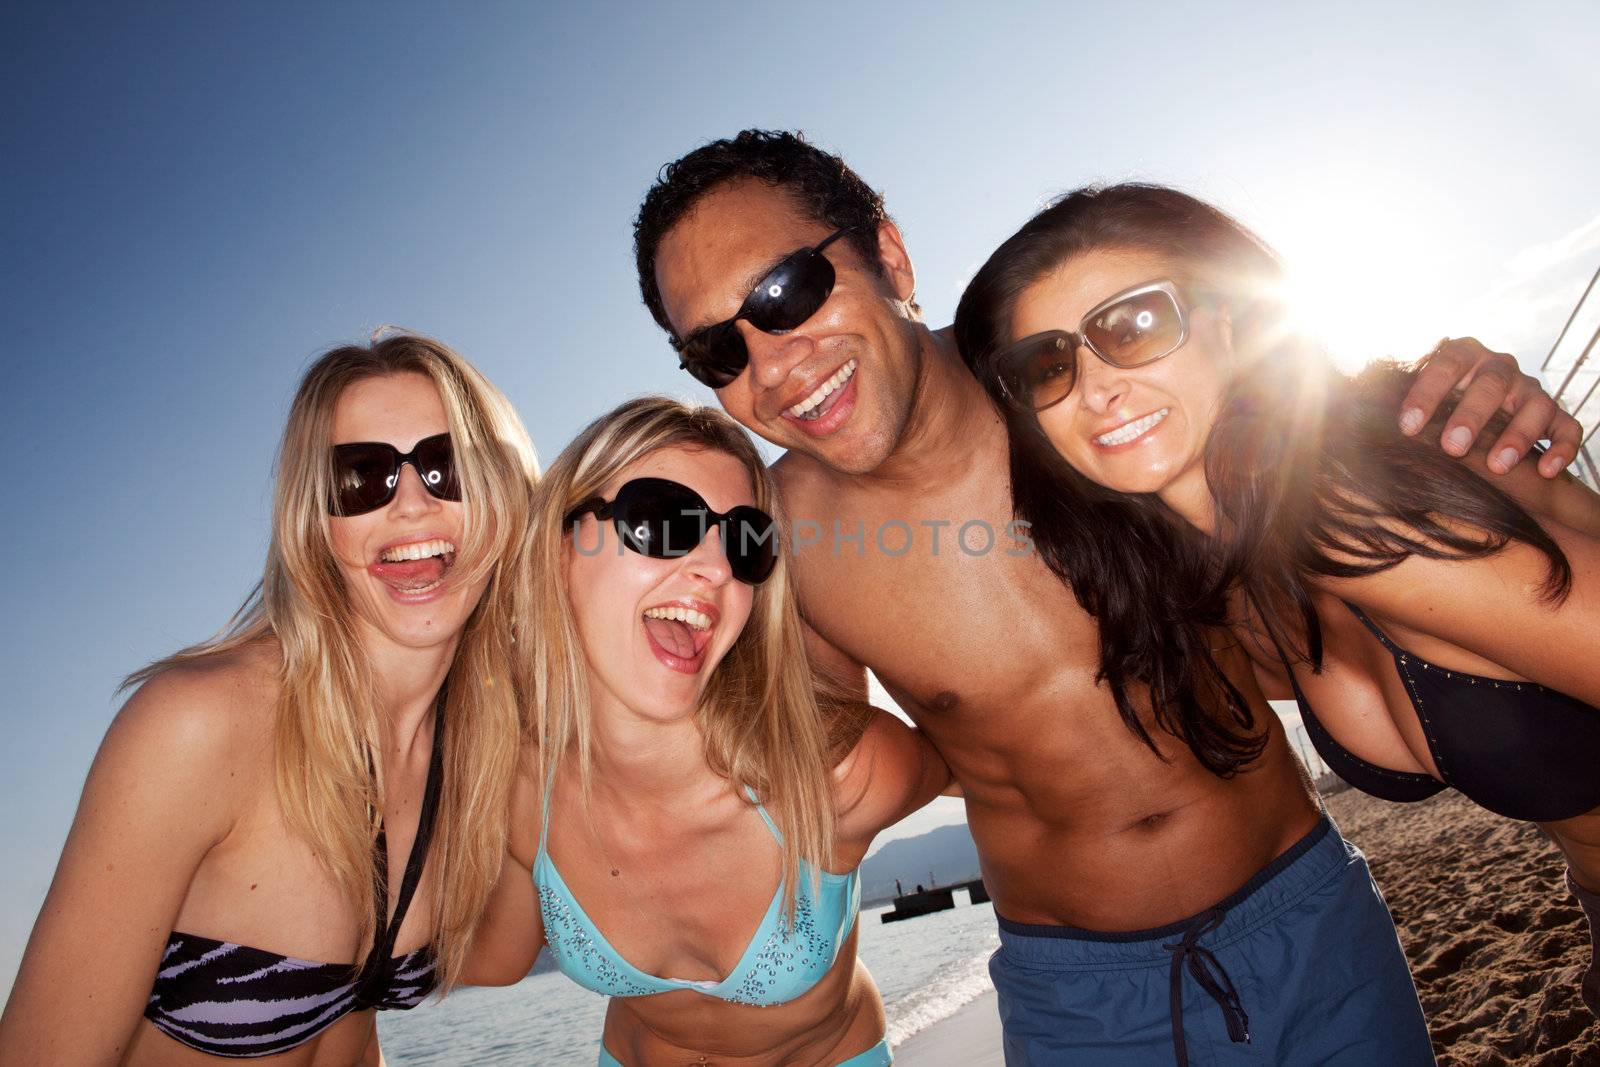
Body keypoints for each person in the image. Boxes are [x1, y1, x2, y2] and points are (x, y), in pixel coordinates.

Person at [631, 130, 1583, 1064]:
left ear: (888, 253)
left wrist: (1454, 399)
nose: (774, 362)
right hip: (1081, 997)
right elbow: (844, 757)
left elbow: (1298, 414)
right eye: (716, 349)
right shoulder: (781, 536)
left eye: (787, 291)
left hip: (1305, 915)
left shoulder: (1085, 382)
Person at [952, 181, 1600, 1019]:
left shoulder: (1348, 502)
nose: (1095, 387)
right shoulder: (1231, 582)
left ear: (1234, 321)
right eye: (1048, 363)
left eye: (1136, 324)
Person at [0, 334, 538, 1064]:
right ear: (317, 522)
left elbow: (501, 955)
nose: (412, 504)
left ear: (506, 494)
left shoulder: (479, 747)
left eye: (449, 468)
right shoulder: (197, 725)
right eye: (361, 477)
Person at [465, 397, 951, 1066]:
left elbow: (998, 770)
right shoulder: (519, 787)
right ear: (557, 548)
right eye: (663, 521)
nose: (716, 567)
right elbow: (492, 958)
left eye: (745, 540)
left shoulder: (832, 774)